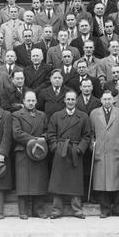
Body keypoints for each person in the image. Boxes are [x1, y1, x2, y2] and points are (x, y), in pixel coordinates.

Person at [47, 91, 91, 219]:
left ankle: (77, 210)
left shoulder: (83, 116)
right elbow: (51, 134)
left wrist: (79, 149)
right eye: (68, 99)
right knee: (58, 181)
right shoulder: (56, 116)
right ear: (64, 100)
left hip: (74, 153)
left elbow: (87, 136)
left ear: (76, 101)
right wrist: (56, 148)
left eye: (73, 99)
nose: (70, 102)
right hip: (61, 151)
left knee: (75, 182)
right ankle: (56, 210)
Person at [89, 91, 119, 218]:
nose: (107, 101)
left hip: (117, 153)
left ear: (113, 100)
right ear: (101, 100)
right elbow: (91, 134)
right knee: (102, 182)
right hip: (100, 153)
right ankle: (105, 209)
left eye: (109, 99)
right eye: (105, 99)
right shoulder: (94, 113)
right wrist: (93, 148)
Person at [12, 91, 50, 219]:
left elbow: (47, 131)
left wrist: (42, 139)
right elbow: (16, 133)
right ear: (23, 101)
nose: (31, 103)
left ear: (36, 102)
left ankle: (38, 210)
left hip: (39, 152)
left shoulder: (42, 115)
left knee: (38, 181)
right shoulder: (16, 115)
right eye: (28, 100)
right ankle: (23, 211)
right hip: (23, 151)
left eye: (33, 100)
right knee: (23, 182)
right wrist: (34, 140)